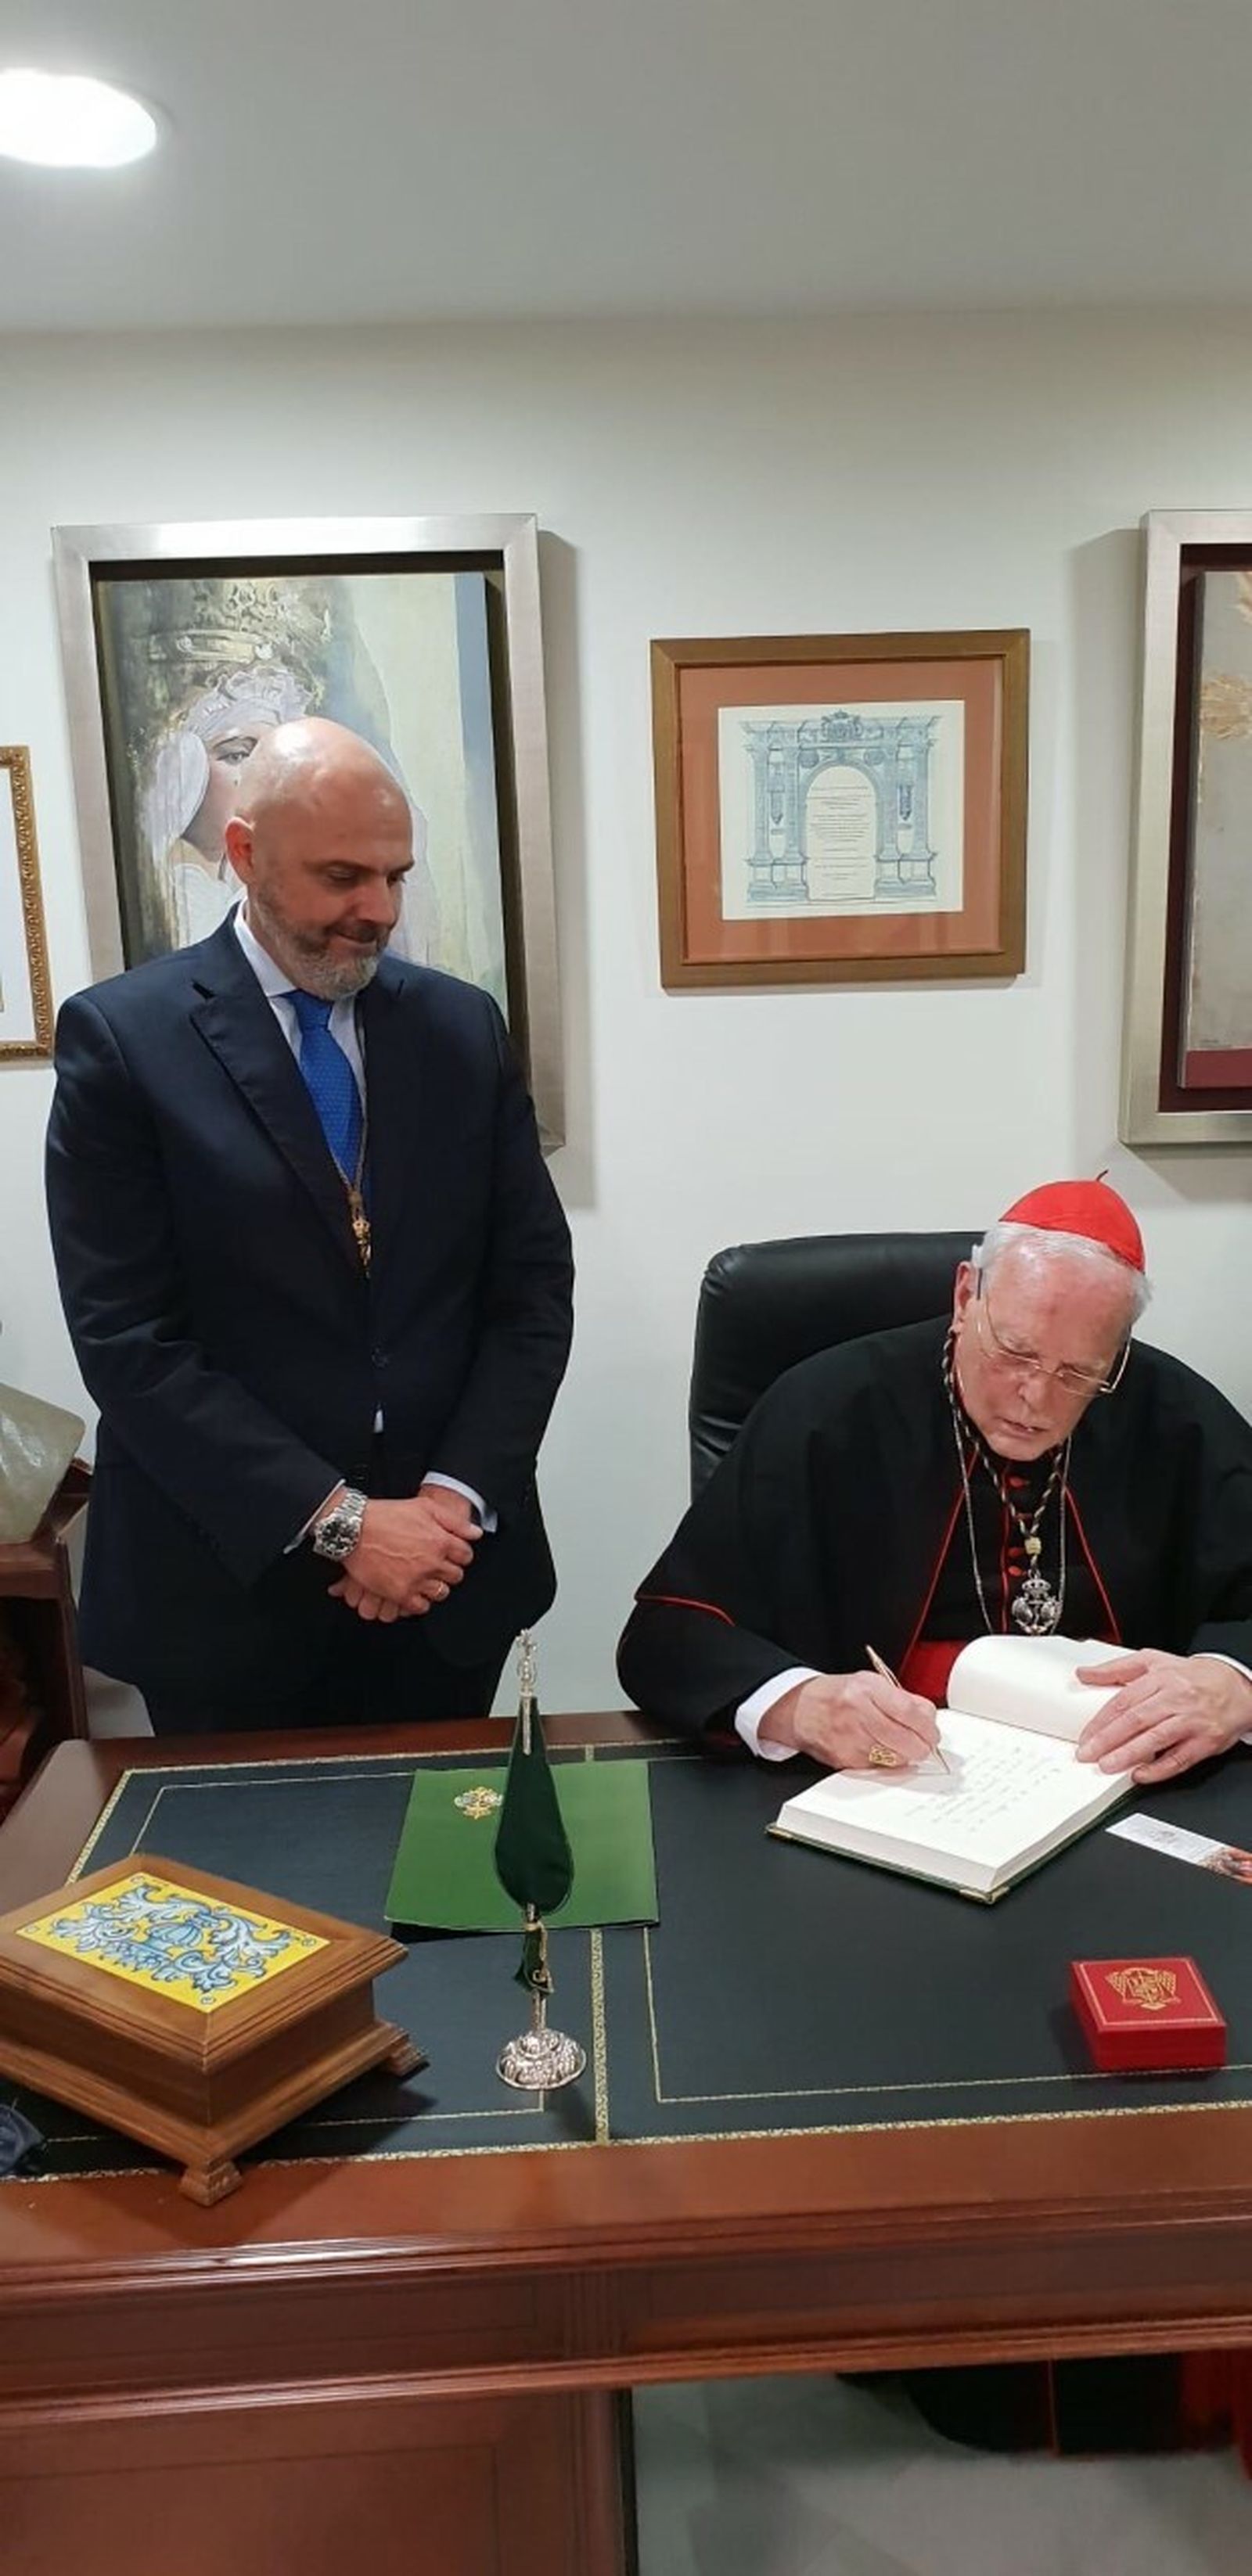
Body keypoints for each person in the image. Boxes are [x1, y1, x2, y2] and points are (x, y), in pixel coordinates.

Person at [46, 717, 574, 1734]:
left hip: (440, 1581)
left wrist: (448, 1506)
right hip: (225, 1591)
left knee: (442, 1875)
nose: (376, 911)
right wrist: (341, 1525)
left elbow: (530, 1293)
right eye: (342, 877)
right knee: (245, 1888)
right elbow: (129, 1341)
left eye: (395, 876)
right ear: (244, 853)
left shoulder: (461, 1028)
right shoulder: (125, 1040)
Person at [618, 1180, 1252, 1783]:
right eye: (1015, 1351)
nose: (1034, 1397)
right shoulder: (826, 1408)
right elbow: (667, 1634)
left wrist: (1234, 1682)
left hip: (1115, 1777)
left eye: (1077, 1373)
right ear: (964, 1297)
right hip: (889, 1779)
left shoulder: (1181, 1419)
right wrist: (799, 1705)